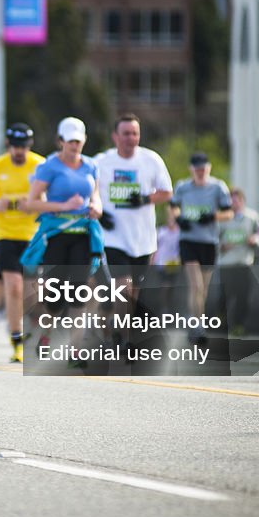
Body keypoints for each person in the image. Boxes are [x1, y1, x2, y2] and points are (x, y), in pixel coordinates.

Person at [21, 117, 104, 360]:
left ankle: (75, 348)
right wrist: (64, 205)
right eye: (70, 141)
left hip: (82, 236)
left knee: (79, 293)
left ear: (84, 140)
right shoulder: (50, 166)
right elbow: (31, 202)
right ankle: (46, 331)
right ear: (60, 141)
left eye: (78, 141)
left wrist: (96, 207)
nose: (74, 146)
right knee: (54, 296)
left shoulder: (91, 166)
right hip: (56, 236)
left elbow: (96, 195)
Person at [93, 113, 173, 349]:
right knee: (123, 285)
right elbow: (87, 186)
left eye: (135, 133)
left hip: (143, 239)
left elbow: (166, 192)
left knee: (134, 291)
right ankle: (120, 336)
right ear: (115, 136)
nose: (131, 138)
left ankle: (121, 333)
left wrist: (145, 198)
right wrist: (99, 212)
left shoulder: (151, 160)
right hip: (113, 236)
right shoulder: (101, 161)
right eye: (126, 133)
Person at [0, 122, 44, 362]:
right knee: (13, 287)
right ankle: (16, 339)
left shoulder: (40, 165)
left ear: (29, 145)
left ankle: (35, 330)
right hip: (3, 234)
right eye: (15, 146)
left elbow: (53, 197)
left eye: (23, 146)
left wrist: (35, 203)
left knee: (33, 290)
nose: (19, 151)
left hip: (33, 234)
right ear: (7, 145)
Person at [170, 153, 233, 344]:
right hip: (189, 240)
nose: (200, 173)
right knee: (195, 285)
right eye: (197, 170)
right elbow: (172, 207)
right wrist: (179, 218)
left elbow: (229, 212)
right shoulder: (182, 187)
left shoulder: (217, 187)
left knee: (203, 289)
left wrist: (213, 217)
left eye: (203, 169)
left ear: (209, 168)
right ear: (191, 170)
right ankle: (197, 326)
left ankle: (196, 320)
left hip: (209, 241)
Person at [217, 188, 259, 337]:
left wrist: (254, 241)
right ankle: (221, 324)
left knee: (243, 296)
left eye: (237, 200)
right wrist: (221, 246)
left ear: (242, 201)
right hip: (227, 263)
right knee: (224, 295)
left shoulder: (252, 217)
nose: (234, 203)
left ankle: (239, 325)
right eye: (231, 200)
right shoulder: (222, 217)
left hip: (244, 262)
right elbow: (213, 238)